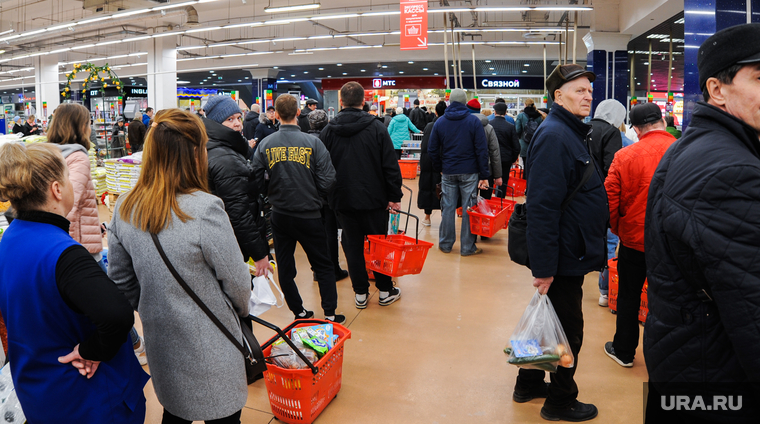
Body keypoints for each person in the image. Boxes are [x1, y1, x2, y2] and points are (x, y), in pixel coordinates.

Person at [644, 24, 760, 422]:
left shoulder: (695, 147)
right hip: (717, 378)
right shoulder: (731, 171)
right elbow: (753, 312)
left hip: (686, 360)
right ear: (717, 89)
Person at [108, 109, 251, 424]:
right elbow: (239, 285)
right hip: (214, 344)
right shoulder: (205, 209)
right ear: (194, 153)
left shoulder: (124, 207)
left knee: (174, 415)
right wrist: (240, 312)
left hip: (163, 346)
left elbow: (122, 286)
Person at [0, 142, 149, 423]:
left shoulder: (10, 238)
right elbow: (117, 314)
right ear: (57, 189)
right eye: (68, 177)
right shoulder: (63, 254)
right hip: (87, 396)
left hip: (39, 391)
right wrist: (91, 351)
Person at [514, 64, 607, 422]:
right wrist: (544, 269)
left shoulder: (569, 131)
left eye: (588, 90)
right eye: (579, 90)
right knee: (569, 330)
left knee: (546, 322)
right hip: (563, 254)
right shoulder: (556, 135)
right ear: (558, 96)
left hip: (569, 248)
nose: (587, 96)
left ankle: (528, 382)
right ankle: (561, 400)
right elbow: (543, 207)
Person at [47, 103, 147, 365]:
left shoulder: (48, 155)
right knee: (110, 300)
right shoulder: (78, 156)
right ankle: (134, 344)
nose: (91, 128)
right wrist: (57, 234)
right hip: (79, 244)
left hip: (73, 237)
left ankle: (132, 342)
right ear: (78, 126)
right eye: (88, 122)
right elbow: (70, 201)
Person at [252, 95, 343, 323]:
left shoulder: (266, 143)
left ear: (278, 115)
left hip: (280, 215)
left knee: (285, 265)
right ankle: (330, 314)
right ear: (297, 113)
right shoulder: (313, 143)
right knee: (322, 264)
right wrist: (316, 194)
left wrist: (271, 191)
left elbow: (254, 176)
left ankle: (299, 312)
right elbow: (329, 178)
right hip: (310, 214)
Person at [603, 103, 675, 370]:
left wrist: (618, 229)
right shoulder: (683, 152)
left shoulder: (624, 156)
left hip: (634, 240)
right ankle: (664, 357)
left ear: (635, 128)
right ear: (662, 120)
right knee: (669, 299)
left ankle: (624, 351)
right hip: (672, 243)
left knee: (629, 296)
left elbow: (609, 200)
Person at [320, 81, 403, 309]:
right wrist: (394, 195)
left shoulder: (328, 131)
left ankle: (360, 293)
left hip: (342, 199)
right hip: (374, 199)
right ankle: (385, 290)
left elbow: (321, 167)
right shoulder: (377, 128)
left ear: (341, 102)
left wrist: (327, 195)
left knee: (351, 244)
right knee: (378, 244)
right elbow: (390, 165)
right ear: (363, 102)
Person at [202, 95, 272, 278]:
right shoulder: (225, 158)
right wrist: (259, 253)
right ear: (216, 123)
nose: (238, 124)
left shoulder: (219, 148)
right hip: (235, 242)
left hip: (226, 238)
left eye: (239, 118)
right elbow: (238, 213)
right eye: (229, 119)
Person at [428, 89, 489, 256]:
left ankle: (445, 244)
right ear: (465, 103)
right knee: (469, 208)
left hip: (448, 171)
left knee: (448, 207)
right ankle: (467, 247)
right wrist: (484, 175)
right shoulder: (473, 122)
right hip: (470, 172)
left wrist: (439, 166)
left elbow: (432, 149)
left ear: (449, 102)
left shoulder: (440, 122)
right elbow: (481, 150)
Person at [588, 99, 626, 307]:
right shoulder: (611, 133)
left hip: (581, 195)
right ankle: (605, 290)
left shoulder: (584, 127)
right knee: (610, 242)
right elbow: (613, 168)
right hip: (603, 195)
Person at [308, 109, 349, 281]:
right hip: (328, 194)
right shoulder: (331, 139)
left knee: (315, 235)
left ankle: (318, 270)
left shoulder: (305, 140)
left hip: (310, 195)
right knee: (331, 232)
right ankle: (333, 269)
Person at [467, 99, 503, 203]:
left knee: (469, 200)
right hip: (487, 171)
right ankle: (484, 218)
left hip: (468, 170)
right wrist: (498, 175)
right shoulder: (488, 128)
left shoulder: (464, 126)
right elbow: (494, 152)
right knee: (486, 201)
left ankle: (469, 218)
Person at [417, 101, 446, 227]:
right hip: (441, 163)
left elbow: (424, 144)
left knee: (427, 187)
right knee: (442, 190)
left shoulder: (429, 126)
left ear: (435, 112)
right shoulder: (447, 125)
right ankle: (444, 217)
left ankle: (427, 217)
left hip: (427, 161)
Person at [491, 102, 521, 198]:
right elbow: (516, 146)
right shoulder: (510, 127)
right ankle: (500, 201)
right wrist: (513, 159)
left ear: (494, 112)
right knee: (503, 182)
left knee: (489, 181)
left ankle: (488, 202)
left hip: (490, 159)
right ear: (505, 112)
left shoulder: (489, 125)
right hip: (505, 158)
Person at [515, 99, 543, 178]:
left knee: (525, 164)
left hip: (524, 143)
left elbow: (517, 130)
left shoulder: (521, 116)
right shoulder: (539, 116)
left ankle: (525, 185)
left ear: (525, 105)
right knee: (534, 165)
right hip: (536, 143)